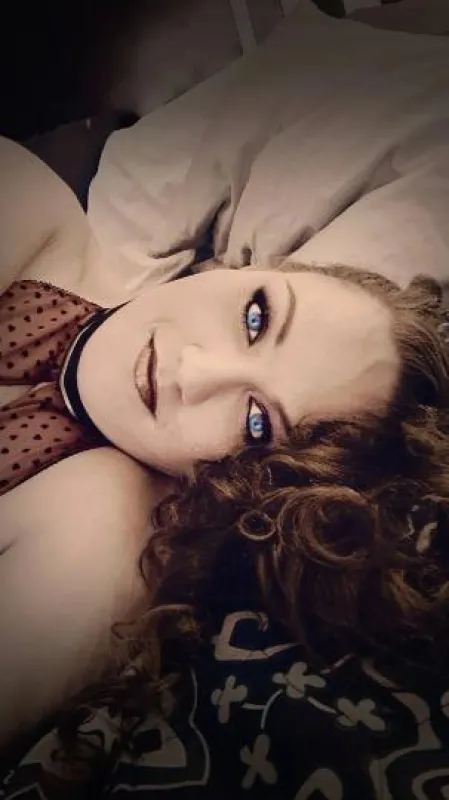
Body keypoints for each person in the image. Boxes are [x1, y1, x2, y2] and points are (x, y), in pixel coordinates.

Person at [1, 132, 449, 765]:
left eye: (257, 424)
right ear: (238, 268)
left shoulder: (100, 536)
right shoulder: (28, 206)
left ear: (246, 483)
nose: (195, 371)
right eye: (256, 318)